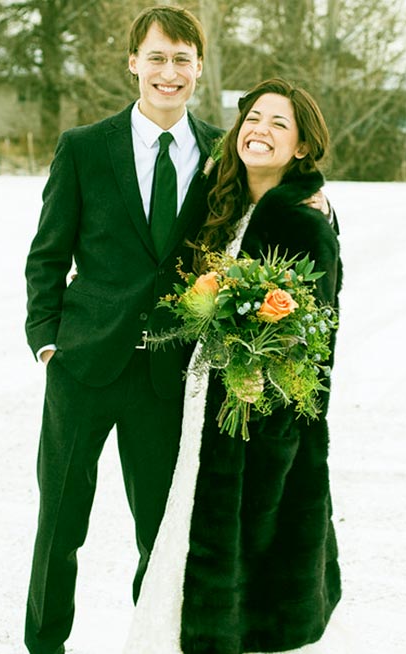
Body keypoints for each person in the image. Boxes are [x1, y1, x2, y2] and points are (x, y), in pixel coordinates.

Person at [23, 7, 224, 654]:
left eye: (182, 60)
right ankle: (43, 645)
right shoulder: (84, 148)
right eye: (157, 58)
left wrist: (321, 204)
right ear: (134, 62)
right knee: (59, 524)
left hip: (168, 375)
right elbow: (48, 253)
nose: (170, 73)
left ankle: (152, 643)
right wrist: (46, 338)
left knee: (162, 537)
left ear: (199, 68)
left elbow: (274, 207)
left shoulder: (223, 154)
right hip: (82, 365)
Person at [124, 78, 343, 654]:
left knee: (247, 557)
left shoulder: (304, 221)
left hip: (254, 411)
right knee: (186, 531)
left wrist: (259, 390)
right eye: (253, 118)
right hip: (195, 397)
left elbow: (313, 339)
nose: (260, 130)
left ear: (301, 147)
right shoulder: (221, 202)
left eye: (278, 124)